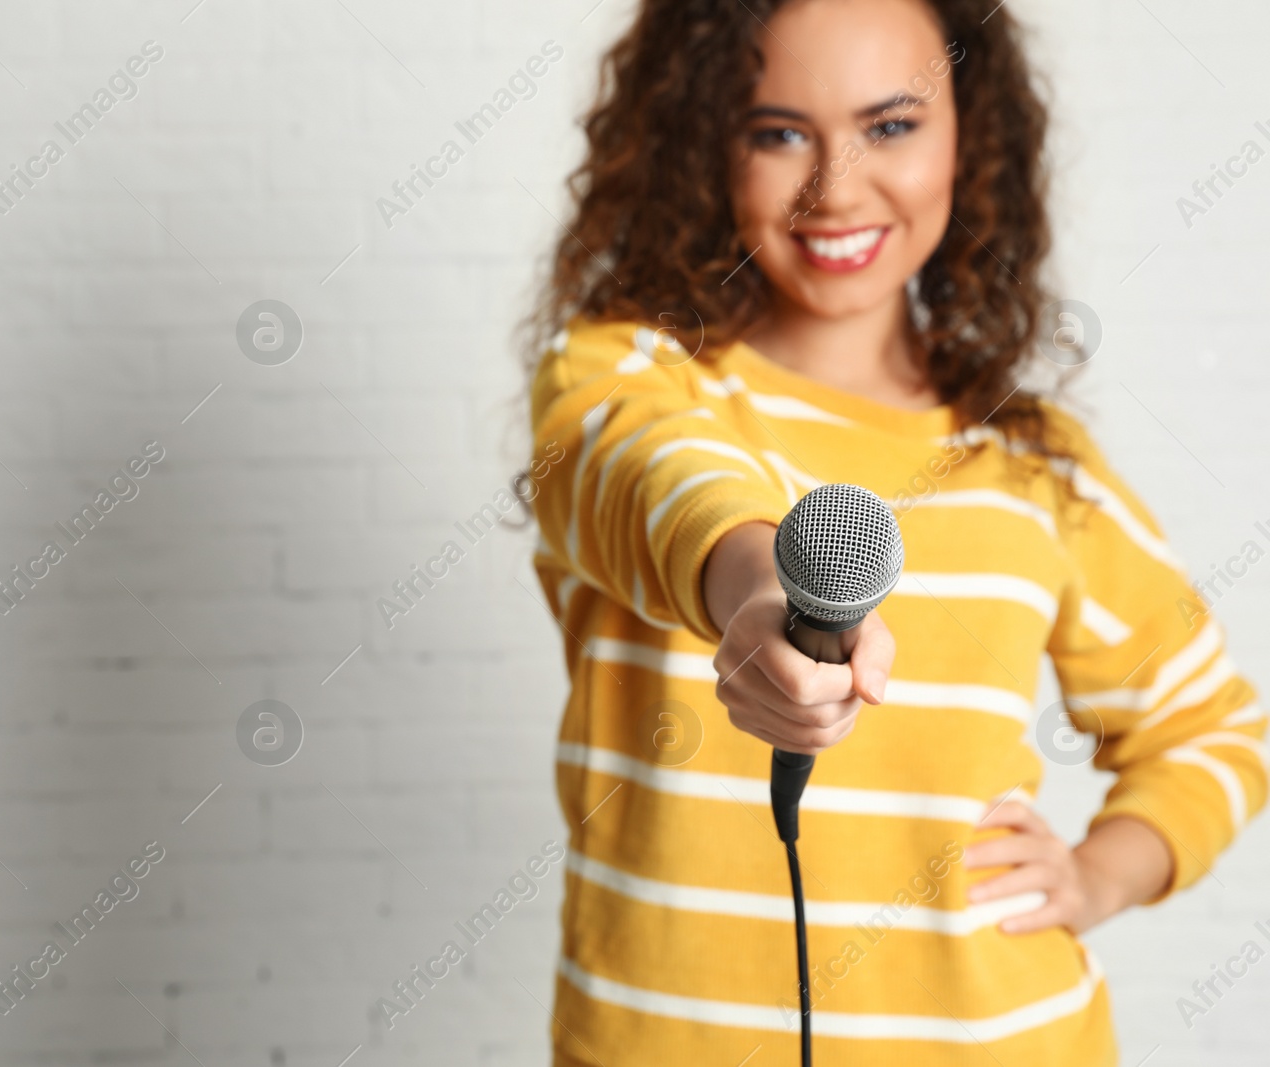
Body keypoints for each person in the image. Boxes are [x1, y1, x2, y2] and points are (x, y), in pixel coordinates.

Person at [523, 0, 1266, 1063]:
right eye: (776, 131)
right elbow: (655, 477)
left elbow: (1212, 730)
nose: (836, 187)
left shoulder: (1035, 465)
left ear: (973, 128)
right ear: (700, 140)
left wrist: (1102, 871)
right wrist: (750, 588)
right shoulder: (617, 376)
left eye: (891, 125)